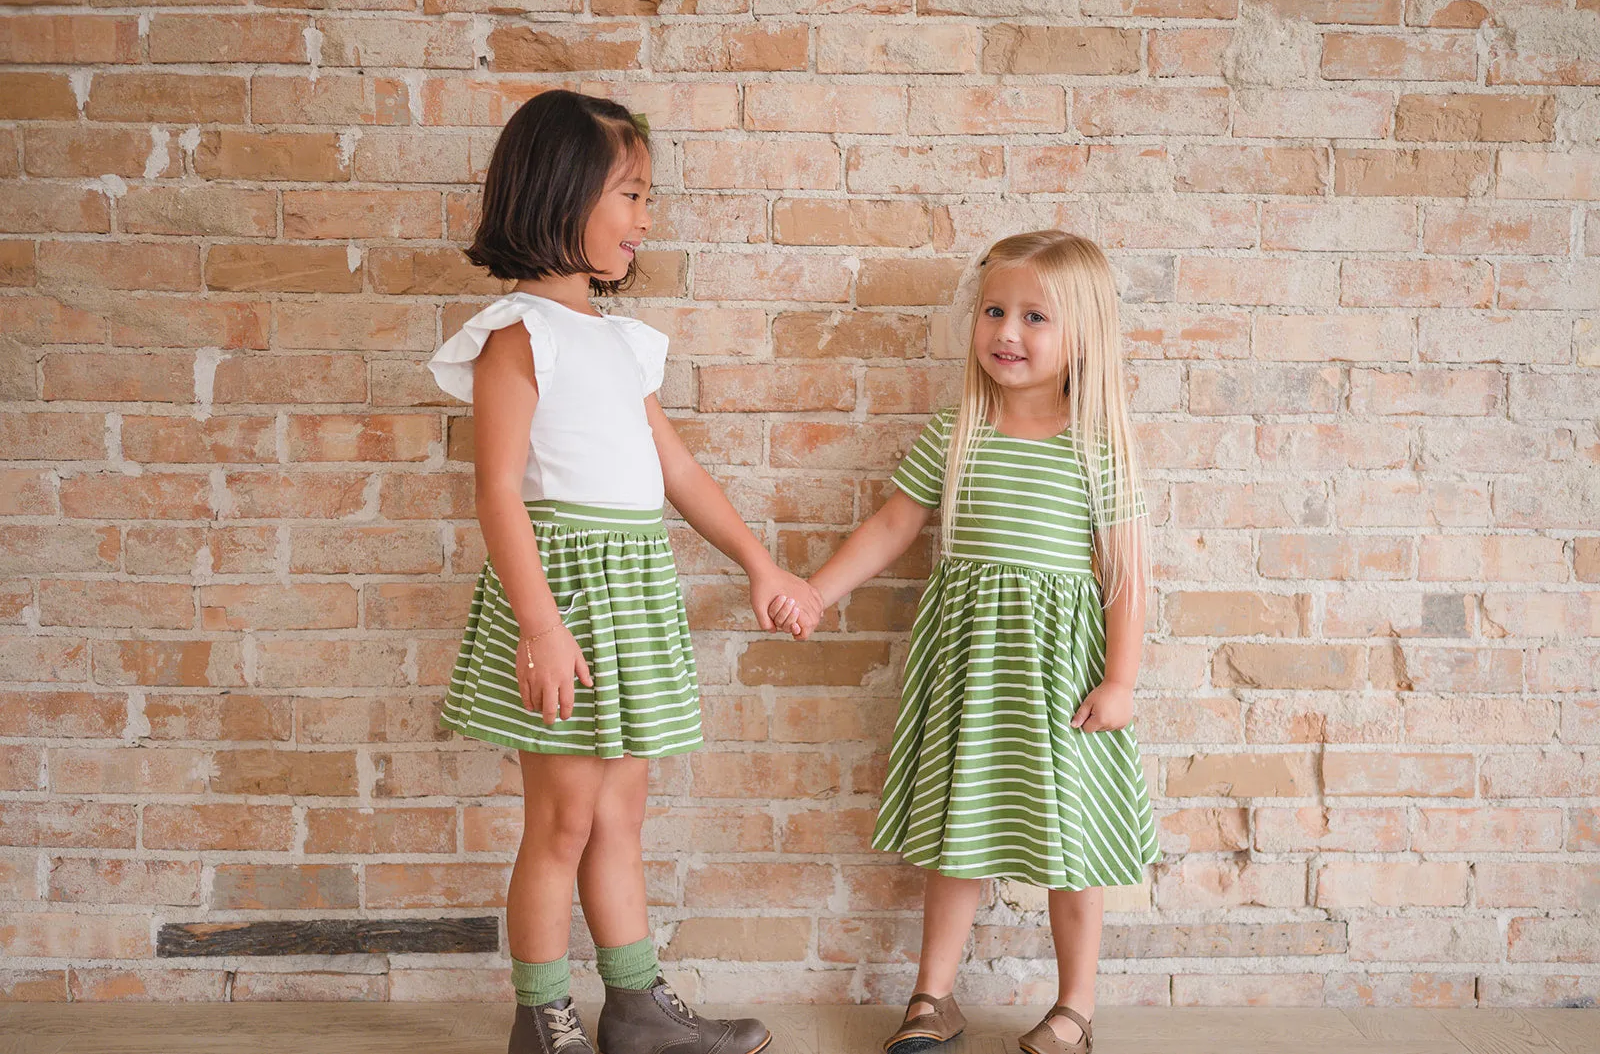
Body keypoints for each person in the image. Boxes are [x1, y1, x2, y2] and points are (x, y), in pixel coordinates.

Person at [427, 89, 819, 1054]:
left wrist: (760, 562)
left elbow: (676, 469)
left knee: (621, 815)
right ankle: (542, 1015)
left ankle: (636, 1006)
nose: (648, 218)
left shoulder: (618, 340)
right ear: (562, 197)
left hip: (633, 596)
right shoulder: (517, 335)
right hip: (565, 602)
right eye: (632, 195)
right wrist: (542, 625)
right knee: (560, 822)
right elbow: (499, 496)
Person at [774, 231, 1159, 1054]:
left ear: (1083, 333)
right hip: (972, 671)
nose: (1006, 332)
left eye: (1033, 316)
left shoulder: (1098, 447)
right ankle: (932, 994)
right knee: (961, 833)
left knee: (1072, 842)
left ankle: (1076, 1007)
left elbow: (1125, 573)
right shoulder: (959, 430)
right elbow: (893, 523)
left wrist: (1121, 679)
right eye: (994, 310)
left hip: (1062, 679)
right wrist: (817, 590)